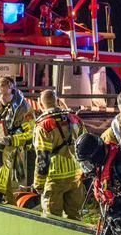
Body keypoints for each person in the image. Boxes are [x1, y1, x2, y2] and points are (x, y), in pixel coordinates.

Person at [32, 89, 85, 219]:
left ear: (40, 104)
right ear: (57, 101)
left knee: (52, 219)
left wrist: (38, 184)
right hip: (76, 175)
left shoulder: (44, 126)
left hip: (55, 178)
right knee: (75, 217)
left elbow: (43, 158)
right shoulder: (75, 119)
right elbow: (85, 144)